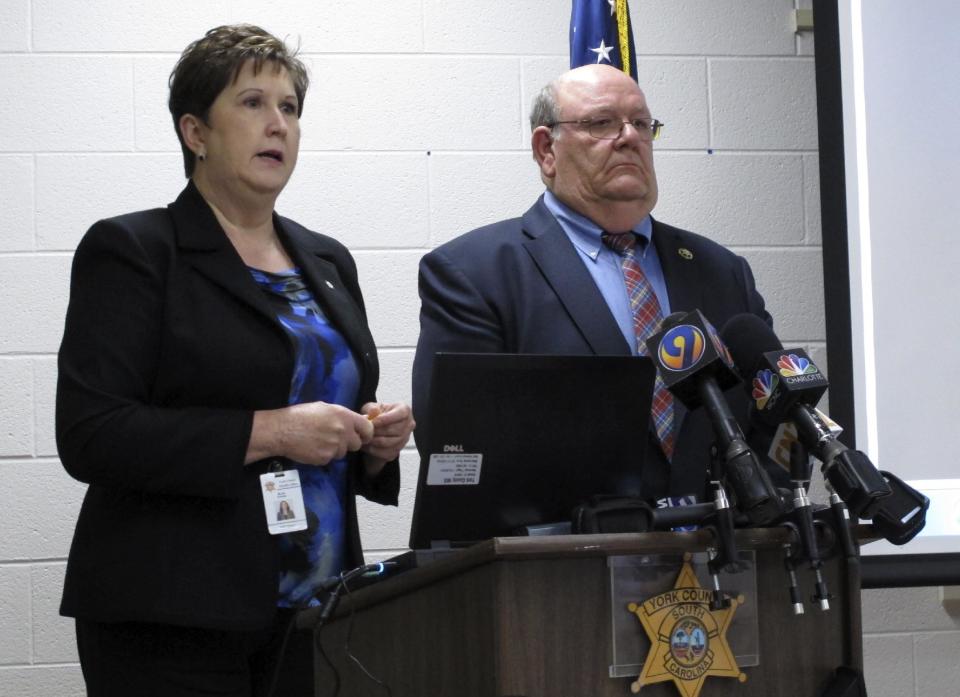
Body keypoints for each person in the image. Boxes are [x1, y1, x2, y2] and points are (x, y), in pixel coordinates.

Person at [56, 24, 414, 697]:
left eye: (289, 108)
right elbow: (91, 433)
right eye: (252, 103)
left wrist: (373, 438)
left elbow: (317, 403)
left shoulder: (327, 260)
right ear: (195, 132)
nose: (277, 124)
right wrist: (270, 431)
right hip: (173, 616)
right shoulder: (134, 251)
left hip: (317, 610)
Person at [412, 63, 776, 504]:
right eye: (602, 123)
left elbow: (771, 418)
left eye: (642, 123)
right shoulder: (474, 273)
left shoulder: (721, 270)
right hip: (562, 560)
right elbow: (459, 451)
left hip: (724, 557)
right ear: (547, 149)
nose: (630, 137)